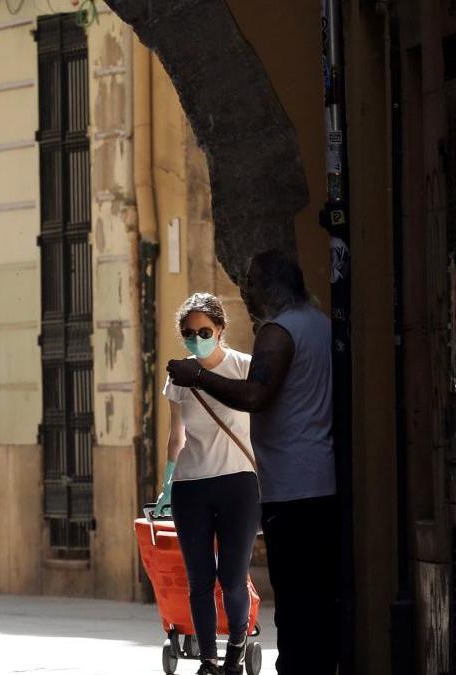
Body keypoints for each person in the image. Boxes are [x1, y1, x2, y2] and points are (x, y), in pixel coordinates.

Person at [167, 250, 337, 675]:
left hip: (291, 485)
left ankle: (292, 666)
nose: (247, 292)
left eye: (253, 283)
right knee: (318, 593)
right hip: (320, 477)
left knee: (294, 596)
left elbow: (255, 396)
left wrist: (198, 377)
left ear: (272, 287)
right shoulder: (322, 325)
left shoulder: (277, 333)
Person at [155, 293, 259, 675]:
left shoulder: (245, 368)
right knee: (199, 579)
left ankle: (237, 645)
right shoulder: (178, 376)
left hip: (238, 484)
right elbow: (176, 436)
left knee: (232, 576)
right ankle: (208, 661)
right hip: (191, 487)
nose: (196, 338)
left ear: (220, 330)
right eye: (188, 333)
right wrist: (167, 483)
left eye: (203, 331)